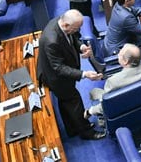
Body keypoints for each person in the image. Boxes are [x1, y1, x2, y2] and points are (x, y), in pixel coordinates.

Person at [37, 10, 105, 140]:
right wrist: (84, 74)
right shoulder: (52, 40)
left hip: (58, 70)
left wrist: (81, 47)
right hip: (57, 78)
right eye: (76, 28)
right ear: (66, 25)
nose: (78, 30)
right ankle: (87, 132)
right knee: (74, 101)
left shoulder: (61, 22)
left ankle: (72, 129)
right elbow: (59, 68)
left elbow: (72, 38)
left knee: (65, 102)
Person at [86, 44, 141, 117]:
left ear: (125, 61)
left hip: (127, 114)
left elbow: (107, 105)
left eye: (120, 54)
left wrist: (91, 111)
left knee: (94, 92)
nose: (118, 54)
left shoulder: (112, 82)